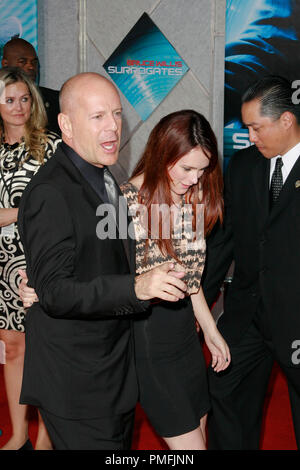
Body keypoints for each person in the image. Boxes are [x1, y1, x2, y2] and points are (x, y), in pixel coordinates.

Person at [16, 72, 190, 451]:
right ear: (66, 124)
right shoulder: (51, 192)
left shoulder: (102, 175)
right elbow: (57, 291)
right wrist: (136, 287)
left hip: (112, 375)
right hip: (78, 385)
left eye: (115, 114)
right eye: (97, 117)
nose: (113, 126)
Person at [120, 110, 231, 449]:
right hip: (148, 342)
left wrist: (210, 330)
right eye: (187, 168)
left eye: (202, 169)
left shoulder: (189, 198)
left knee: (200, 432)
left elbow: (190, 277)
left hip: (185, 338)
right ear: (161, 154)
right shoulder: (123, 201)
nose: (195, 179)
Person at [202, 75, 300, 449]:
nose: (250, 137)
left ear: (287, 120)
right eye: (247, 129)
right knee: (223, 390)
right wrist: (199, 309)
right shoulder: (243, 166)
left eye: (257, 128)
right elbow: (223, 242)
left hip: (296, 321)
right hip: (247, 318)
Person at [0, 66, 61, 450]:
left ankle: (46, 439)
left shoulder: (52, 146)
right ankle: (19, 434)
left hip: (45, 259)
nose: (19, 106)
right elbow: (37, 207)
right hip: (3, 265)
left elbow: (63, 207)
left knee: (49, 348)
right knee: (12, 347)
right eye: (9, 100)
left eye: (25, 98)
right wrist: (26, 210)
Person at [1, 38, 60, 135]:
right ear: (5, 64)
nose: (31, 67)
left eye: (34, 62)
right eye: (22, 61)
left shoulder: (54, 100)